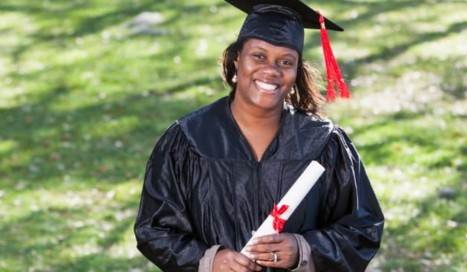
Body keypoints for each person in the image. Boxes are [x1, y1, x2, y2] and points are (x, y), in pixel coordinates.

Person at [134, 0, 384, 271]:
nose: (272, 70)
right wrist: (208, 261)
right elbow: (154, 228)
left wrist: (304, 249)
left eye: (286, 61)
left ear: (296, 71)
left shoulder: (323, 143)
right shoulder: (189, 139)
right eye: (259, 56)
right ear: (237, 59)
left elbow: (363, 228)